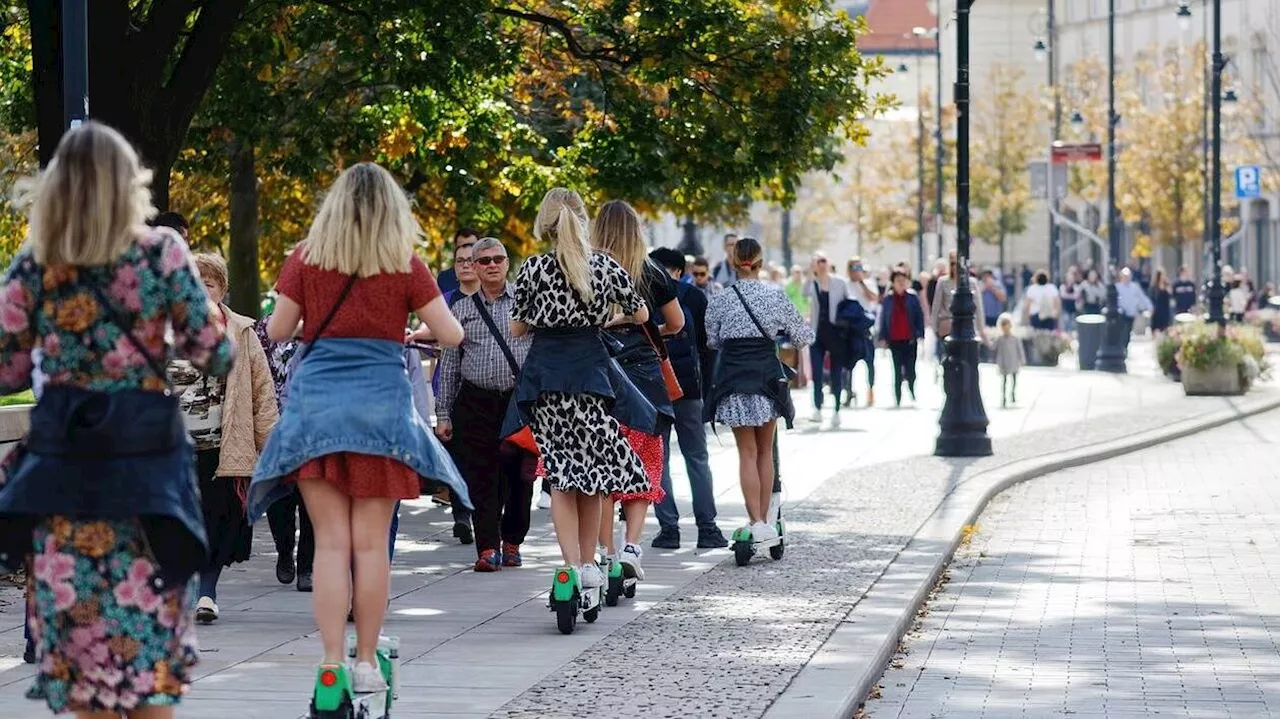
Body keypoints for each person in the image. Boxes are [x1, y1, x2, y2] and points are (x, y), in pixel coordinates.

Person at [0, 121, 234, 718]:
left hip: (65, 480)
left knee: (87, 681)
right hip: (147, 479)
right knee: (149, 670)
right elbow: (214, 350)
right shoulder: (162, 253)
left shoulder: (37, 264)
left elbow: (5, 368)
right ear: (130, 185)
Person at [249, 162, 468, 694]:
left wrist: (320, 323)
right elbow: (452, 334)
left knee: (329, 544)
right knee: (370, 546)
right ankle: (366, 661)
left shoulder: (305, 258)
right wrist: (402, 327)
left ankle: (329, 661)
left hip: (317, 409)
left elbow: (276, 331)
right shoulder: (404, 263)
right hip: (382, 413)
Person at [502, 187, 654, 596]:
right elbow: (641, 312)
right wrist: (604, 317)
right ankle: (590, 564)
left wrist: (544, 319)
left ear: (545, 223)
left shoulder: (533, 269)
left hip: (547, 380)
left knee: (560, 476)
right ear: (583, 218)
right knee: (593, 476)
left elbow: (516, 328)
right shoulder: (603, 266)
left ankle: (569, 566)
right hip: (591, 376)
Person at [170, 252, 278, 625]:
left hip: (222, 446)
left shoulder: (242, 332)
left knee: (218, 520)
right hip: (172, 448)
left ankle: (207, 592)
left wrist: (272, 444)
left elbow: (263, 392)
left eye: (209, 284)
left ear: (224, 290)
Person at [591, 200, 682, 580]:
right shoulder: (653, 271)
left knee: (600, 467)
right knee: (644, 464)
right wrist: (645, 329)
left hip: (602, 371)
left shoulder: (588, 270)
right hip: (644, 374)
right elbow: (676, 324)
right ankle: (631, 545)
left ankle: (606, 551)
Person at [435, 237, 534, 571]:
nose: (492, 265)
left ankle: (512, 541)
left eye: (498, 259)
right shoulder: (460, 310)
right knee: (481, 477)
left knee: (520, 478)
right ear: (474, 267)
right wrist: (443, 413)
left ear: (507, 263)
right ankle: (488, 547)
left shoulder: (526, 301)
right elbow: (448, 365)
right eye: (484, 260)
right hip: (475, 402)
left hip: (517, 404)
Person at [704, 238, 812, 542]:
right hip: (766, 380)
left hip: (734, 379)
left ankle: (753, 521)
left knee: (746, 453)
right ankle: (765, 521)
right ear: (760, 264)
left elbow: (712, 340)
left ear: (734, 263)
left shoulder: (721, 299)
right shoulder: (774, 297)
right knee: (766, 451)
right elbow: (803, 336)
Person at [647, 248, 727, 550]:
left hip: (654, 391)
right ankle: (708, 527)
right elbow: (708, 351)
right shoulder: (694, 298)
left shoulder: (645, 296)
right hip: (690, 390)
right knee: (697, 457)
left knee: (660, 459)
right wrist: (707, 390)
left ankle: (669, 529)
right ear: (680, 271)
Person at [424, 241, 480, 541]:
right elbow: (436, 343)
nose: (465, 265)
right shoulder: (445, 299)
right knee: (458, 453)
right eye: (459, 261)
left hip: (481, 386)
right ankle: (462, 515)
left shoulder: (491, 298)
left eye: (470, 260)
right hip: (451, 385)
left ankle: (477, 510)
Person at [256, 311, 315, 592]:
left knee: (312, 500)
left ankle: (307, 566)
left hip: (311, 427)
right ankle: (284, 551)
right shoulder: (268, 326)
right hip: (274, 427)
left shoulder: (324, 319)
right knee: (280, 500)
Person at [803, 251, 850, 428]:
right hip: (817, 333)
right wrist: (810, 272)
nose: (821, 264)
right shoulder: (812, 283)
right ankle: (817, 407)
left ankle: (837, 409)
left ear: (829, 263)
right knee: (816, 372)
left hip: (836, 333)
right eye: (818, 262)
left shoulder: (839, 282)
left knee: (837, 373)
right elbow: (804, 292)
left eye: (823, 260)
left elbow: (849, 302)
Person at [878, 270, 925, 407]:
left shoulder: (912, 297)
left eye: (903, 280)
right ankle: (897, 397)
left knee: (911, 368)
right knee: (897, 369)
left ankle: (911, 389)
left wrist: (919, 333)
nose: (901, 283)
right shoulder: (888, 299)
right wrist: (883, 336)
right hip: (894, 339)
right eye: (898, 280)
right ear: (893, 283)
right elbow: (883, 319)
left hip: (910, 339)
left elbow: (918, 316)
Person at [845, 258, 879, 408]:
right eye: (854, 267)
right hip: (850, 329)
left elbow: (874, 298)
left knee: (870, 362)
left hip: (866, 329)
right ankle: (848, 392)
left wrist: (862, 282)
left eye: (859, 267)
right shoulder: (845, 285)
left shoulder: (868, 283)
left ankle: (870, 390)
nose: (857, 270)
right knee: (848, 364)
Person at [992, 313, 1025, 408]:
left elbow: (1020, 349)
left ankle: (1013, 394)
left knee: (1014, 379)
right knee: (1004, 380)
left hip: (1013, 361)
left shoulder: (1015, 338)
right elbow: (994, 348)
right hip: (1003, 362)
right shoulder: (1000, 338)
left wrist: (1022, 359)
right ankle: (1004, 398)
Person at [434, 227, 480, 296]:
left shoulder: (489, 276)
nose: (466, 250)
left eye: (471, 246)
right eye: (462, 247)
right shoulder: (444, 278)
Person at [1115, 267, 1154, 340]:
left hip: (1131, 315)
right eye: (1124, 276)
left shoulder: (1134, 287)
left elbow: (1142, 298)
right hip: (1121, 315)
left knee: (1127, 333)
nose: (1126, 278)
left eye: (1128, 276)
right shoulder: (1117, 287)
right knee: (1123, 333)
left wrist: (1149, 307)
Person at [1149, 268, 1173, 336]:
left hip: (1165, 309)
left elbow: (1170, 294)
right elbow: (1152, 298)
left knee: (1165, 327)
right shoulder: (1154, 287)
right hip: (1157, 310)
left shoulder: (1167, 284)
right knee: (1156, 329)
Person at [1059, 268, 1080, 332]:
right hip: (1065, 309)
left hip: (1073, 309)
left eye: (1071, 278)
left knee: (1073, 326)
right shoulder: (1062, 286)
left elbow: (1076, 296)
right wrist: (1071, 296)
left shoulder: (1076, 286)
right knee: (1065, 325)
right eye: (1068, 278)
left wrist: (1068, 296)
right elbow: (1063, 295)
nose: (1070, 279)